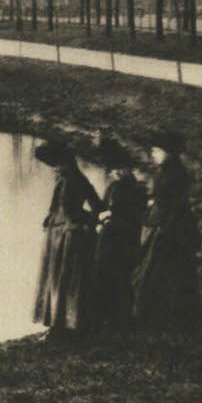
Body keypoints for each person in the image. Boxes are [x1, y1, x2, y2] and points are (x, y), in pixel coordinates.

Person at [33, 140, 104, 339]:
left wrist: (81, 221)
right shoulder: (69, 178)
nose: (53, 168)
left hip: (67, 236)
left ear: (63, 162)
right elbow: (95, 206)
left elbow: (91, 207)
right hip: (59, 235)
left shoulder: (72, 179)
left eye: (55, 164)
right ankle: (62, 325)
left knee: (63, 282)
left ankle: (61, 327)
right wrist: (51, 217)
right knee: (59, 282)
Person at [133, 130, 200, 328]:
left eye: (156, 150)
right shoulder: (168, 171)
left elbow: (173, 205)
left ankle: (165, 317)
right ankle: (167, 315)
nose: (152, 154)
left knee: (162, 270)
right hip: (166, 225)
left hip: (171, 228)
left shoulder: (174, 174)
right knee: (166, 271)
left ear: (168, 152)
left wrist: (160, 225)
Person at [92, 135, 148, 330]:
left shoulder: (120, 188)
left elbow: (120, 212)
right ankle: (118, 316)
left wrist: (105, 218)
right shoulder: (131, 187)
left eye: (114, 171)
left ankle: (114, 317)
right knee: (120, 275)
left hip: (116, 237)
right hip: (123, 236)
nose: (112, 173)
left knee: (110, 273)